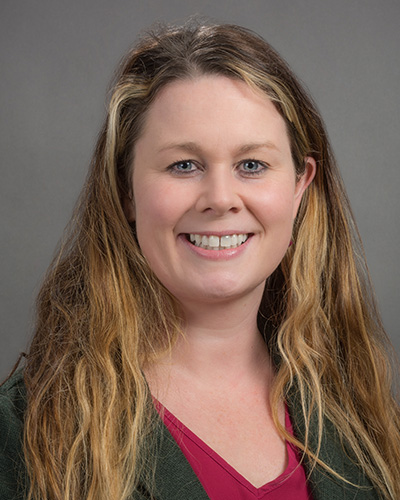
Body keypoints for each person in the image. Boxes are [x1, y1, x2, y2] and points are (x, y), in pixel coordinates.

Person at [1, 20, 399, 500]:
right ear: (126, 190)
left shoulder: (354, 404)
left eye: (252, 165)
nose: (220, 198)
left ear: (300, 186)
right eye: (183, 165)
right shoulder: (27, 429)